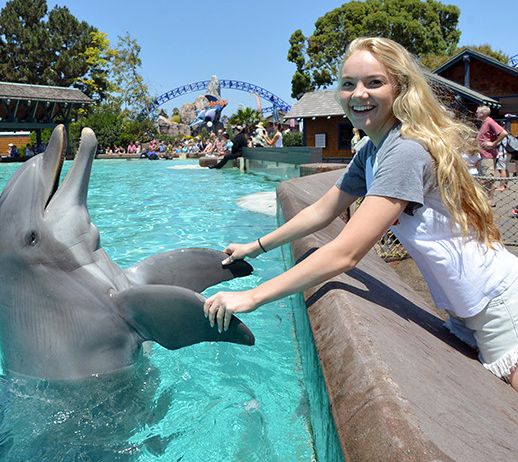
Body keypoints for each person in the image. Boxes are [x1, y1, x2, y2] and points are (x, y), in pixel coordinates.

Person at [204, 37, 518, 391]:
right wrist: (255, 246)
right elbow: (323, 210)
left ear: (400, 88)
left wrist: (253, 296)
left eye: (374, 82)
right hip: (468, 308)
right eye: (348, 84)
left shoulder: (404, 150)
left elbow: (346, 253)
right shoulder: (373, 149)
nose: (359, 94)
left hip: (497, 304)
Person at [476, 106, 507, 206]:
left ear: (482, 114)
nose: (476, 114)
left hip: (488, 155)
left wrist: (493, 143)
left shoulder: (490, 122)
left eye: (477, 112)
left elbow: (504, 133)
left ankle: (489, 200)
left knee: (488, 177)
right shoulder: (485, 123)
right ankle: (486, 199)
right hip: (484, 155)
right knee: (485, 176)